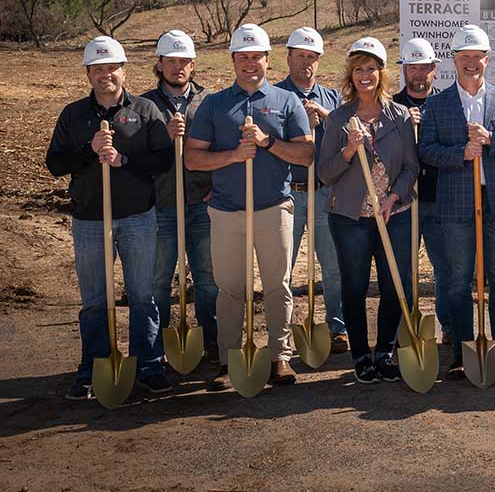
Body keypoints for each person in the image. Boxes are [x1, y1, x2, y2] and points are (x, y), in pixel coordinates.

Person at [185, 24, 314, 391]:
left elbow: (306, 154)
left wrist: (267, 142)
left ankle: (280, 357)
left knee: (278, 285)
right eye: (243, 56)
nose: (250, 63)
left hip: (274, 208)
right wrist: (234, 155)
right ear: (233, 60)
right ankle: (231, 359)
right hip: (227, 212)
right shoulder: (214, 104)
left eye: (256, 56)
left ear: (267, 60)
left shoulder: (286, 102)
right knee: (230, 289)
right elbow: (193, 159)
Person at [47, 36, 174, 400]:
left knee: (142, 295)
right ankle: (93, 366)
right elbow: (55, 164)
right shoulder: (73, 115)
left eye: (112, 68)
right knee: (95, 299)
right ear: (89, 73)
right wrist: (88, 152)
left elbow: (162, 160)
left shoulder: (145, 110)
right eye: (98, 69)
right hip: (90, 221)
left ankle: (149, 365)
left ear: (123, 70)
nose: (106, 75)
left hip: (138, 218)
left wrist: (124, 161)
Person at [417, 24, 495, 381]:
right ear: (454, 61)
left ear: (487, 59)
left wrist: (490, 139)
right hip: (455, 205)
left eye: (476, 57)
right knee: (457, 278)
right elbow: (426, 151)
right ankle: (461, 351)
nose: (471, 63)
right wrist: (461, 153)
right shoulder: (437, 104)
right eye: (464, 57)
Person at [318, 38, 420, 384]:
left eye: (371, 68)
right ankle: (361, 354)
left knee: (395, 284)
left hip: (394, 214)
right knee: (355, 285)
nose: (365, 75)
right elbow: (325, 172)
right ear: (351, 74)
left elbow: (411, 167)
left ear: (382, 73)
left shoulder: (400, 115)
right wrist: (348, 151)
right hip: (350, 219)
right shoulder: (338, 119)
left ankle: (386, 352)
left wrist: (395, 197)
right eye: (359, 68)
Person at [141, 30, 220, 367]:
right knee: (158, 282)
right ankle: (155, 350)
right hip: (162, 207)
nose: (177, 67)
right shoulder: (143, 105)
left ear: (193, 64)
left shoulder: (210, 102)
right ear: (159, 64)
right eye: (170, 61)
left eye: (183, 61)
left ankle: (213, 343)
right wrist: (165, 137)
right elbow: (137, 155)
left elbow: (220, 147)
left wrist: (218, 187)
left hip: (202, 203)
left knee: (208, 279)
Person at [276, 27, 347, 354]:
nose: (306, 62)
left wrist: (325, 118)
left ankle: (338, 327)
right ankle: (283, 333)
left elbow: (350, 136)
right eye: (300, 55)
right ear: (289, 57)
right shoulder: (275, 95)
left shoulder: (331, 98)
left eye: (312, 57)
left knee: (333, 267)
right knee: (283, 270)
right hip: (287, 194)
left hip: (324, 193)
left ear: (319, 61)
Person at [393, 37, 452, 344]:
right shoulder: (390, 107)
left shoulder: (447, 105)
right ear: (404, 70)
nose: (418, 73)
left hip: (440, 201)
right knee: (403, 270)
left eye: (424, 68)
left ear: (434, 70)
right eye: (412, 67)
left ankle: (451, 330)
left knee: (446, 270)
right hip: (404, 203)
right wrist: (405, 125)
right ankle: (405, 327)